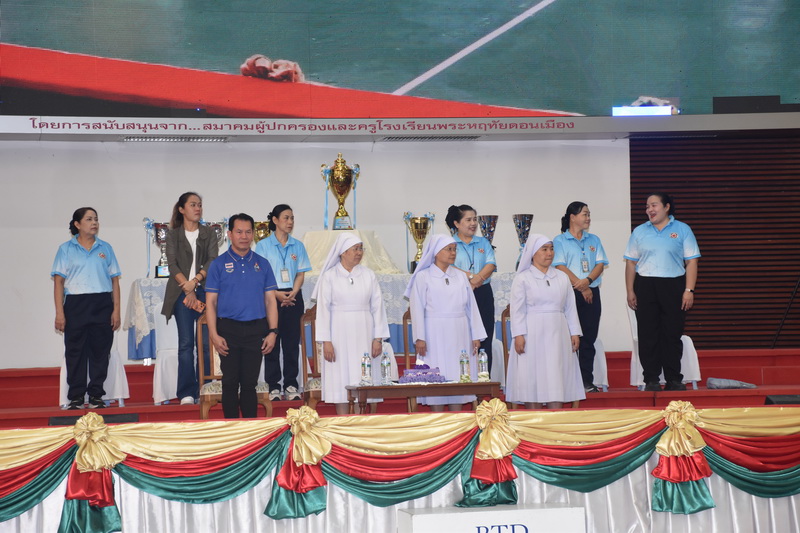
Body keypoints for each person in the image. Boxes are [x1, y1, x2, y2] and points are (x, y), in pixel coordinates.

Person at [205, 213, 279, 418]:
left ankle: (250, 430)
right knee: (229, 383)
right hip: (227, 329)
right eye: (239, 232)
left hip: (256, 329)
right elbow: (210, 303)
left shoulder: (263, 264)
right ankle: (232, 430)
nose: (244, 236)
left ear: (253, 234)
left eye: (248, 232)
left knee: (249, 384)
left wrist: (273, 332)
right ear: (230, 234)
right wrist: (214, 334)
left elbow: (270, 301)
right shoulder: (218, 264)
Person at [625, 193, 700, 392]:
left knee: (672, 333)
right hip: (645, 285)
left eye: (654, 205)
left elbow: (692, 261)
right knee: (647, 334)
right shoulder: (640, 231)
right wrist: (630, 290)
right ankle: (651, 379)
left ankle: (674, 378)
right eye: (647, 206)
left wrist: (689, 290)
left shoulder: (682, 229)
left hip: (674, 285)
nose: (649, 209)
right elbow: (631, 263)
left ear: (666, 207)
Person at [405, 234, 486, 411]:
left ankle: (456, 418)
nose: (453, 253)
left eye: (454, 249)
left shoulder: (461, 276)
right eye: (448, 249)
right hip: (434, 332)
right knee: (437, 373)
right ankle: (438, 418)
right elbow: (417, 309)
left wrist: (476, 335)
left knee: (458, 374)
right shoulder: (423, 277)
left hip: (460, 332)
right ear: (435, 252)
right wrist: (420, 338)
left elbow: (471, 307)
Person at [312, 233, 389, 415]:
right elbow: (323, 310)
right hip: (338, 333)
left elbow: (378, 307)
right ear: (343, 252)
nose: (359, 252)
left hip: (365, 332)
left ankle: (362, 423)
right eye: (355, 249)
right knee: (340, 380)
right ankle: (343, 422)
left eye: (361, 248)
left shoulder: (369, 275)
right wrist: (326, 341)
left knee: (364, 376)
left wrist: (378, 338)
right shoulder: (329, 276)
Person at [52, 207, 121, 410]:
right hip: (75, 305)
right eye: (89, 219)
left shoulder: (105, 248)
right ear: (77, 224)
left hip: (102, 303)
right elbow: (58, 283)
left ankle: (96, 395)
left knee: (100, 352)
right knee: (75, 352)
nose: (94, 223)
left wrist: (116, 310)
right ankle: (76, 397)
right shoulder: (65, 249)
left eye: (96, 219)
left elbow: (115, 281)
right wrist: (59, 313)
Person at [506, 234, 584, 409]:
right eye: (545, 249)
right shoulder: (523, 278)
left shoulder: (562, 277)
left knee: (556, 371)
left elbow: (570, 307)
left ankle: (555, 415)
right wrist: (518, 334)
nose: (549, 253)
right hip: (532, 331)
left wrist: (574, 332)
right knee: (533, 372)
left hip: (558, 331)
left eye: (551, 249)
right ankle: (533, 415)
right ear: (533, 253)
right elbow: (517, 310)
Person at [161, 192, 219, 405]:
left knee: (205, 343)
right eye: (193, 205)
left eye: (200, 205)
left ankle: (206, 387)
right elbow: (172, 264)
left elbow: (212, 260)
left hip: (204, 290)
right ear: (182, 209)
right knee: (186, 343)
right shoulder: (173, 235)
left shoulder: (209, 233)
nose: (198, 208)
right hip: (181, 293)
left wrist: (195, 281)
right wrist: (187, 289)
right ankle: (186, 392)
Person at [255, 204, 311, 401]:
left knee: (291, 342)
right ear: (275, 220)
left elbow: (301, 273)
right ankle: (273, 386)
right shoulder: (263, 246)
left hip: (293, 296)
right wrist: (276, 294)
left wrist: (293, 292)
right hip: (271, 296)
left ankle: (291, 384)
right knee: (271, 341)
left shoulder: (298, 245)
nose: (290, 222)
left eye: (292, 218)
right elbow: (260, 276)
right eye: (286, 218)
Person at [553, 202, 608, 393]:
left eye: (589, 214)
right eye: (585, 214)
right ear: (572, 217)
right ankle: (568, 382)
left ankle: (586, 381)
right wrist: (581, 285)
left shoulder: (594, 240)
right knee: (569, 337)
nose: (588, 218)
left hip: (592, 292)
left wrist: (588, 281)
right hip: (569, 294)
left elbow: (600, 264)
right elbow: (560, 266)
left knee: (588, 338)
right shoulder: (560, 241)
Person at [445, 204, 497, 372]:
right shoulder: (450, 244)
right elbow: (449, 266)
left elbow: (491, 264)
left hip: (482, 293)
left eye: (475, 219)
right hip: (459, 293)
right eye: (468, 220)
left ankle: (484, 376)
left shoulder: (483, 242)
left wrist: (477, 280)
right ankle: (462, 375)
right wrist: (470, 277)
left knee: (485, 335)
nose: (473, 223)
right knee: (462, 334)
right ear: (456, 223)